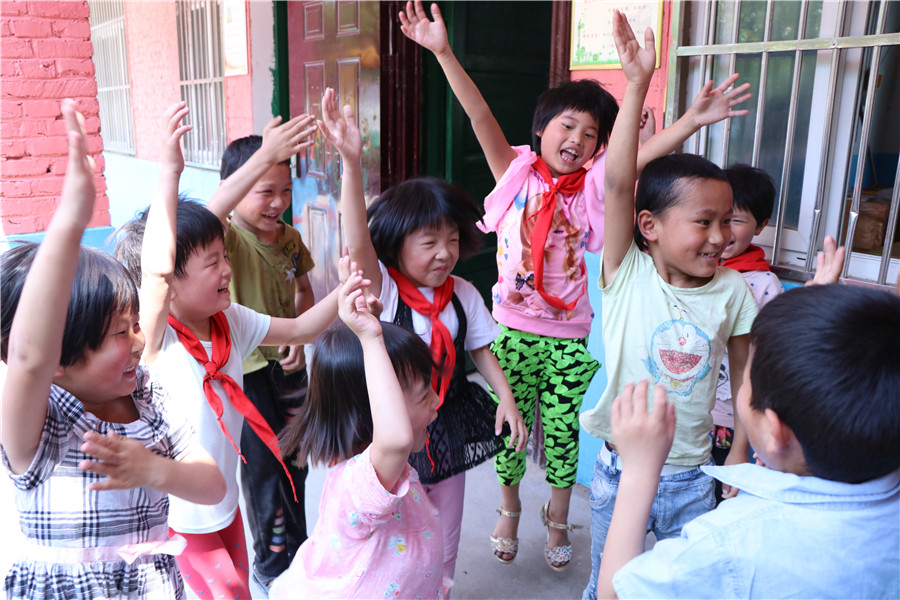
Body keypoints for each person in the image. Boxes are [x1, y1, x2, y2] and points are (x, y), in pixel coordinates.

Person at [398, 0, 752, 570]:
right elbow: (480, 116)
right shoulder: (512, 172)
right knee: (509, 435)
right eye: (568, 126)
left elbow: (625, 169)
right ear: (541, 130)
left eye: (593, 134)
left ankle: (557, 517)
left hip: (566, 338)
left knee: (562, 441)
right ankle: (509, 508)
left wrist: (688, 123)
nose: (579, 139)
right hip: (509, 332)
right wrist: (442, 52)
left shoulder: (591, 190)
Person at [0, 99, 225, 599]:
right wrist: (70, 222)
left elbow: (213, 487)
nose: (140, 339)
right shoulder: (41, 427)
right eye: (120, 333)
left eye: (133, 326)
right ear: (59, 359)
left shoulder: (146, 396)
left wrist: (154, 470)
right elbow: (29, 358)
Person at [137, 102, 357, 599]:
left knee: (237, 589)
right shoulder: (158, 339)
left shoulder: (230, 321)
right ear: (171, 283)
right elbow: (157, 266)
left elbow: (300, 327)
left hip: (225, 508)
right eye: (212, 263)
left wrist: (345, 294)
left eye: (223, 260)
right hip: (179, 521)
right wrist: (170, 172)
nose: (226, 272)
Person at [578, 12, 760, 599]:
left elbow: (746, 375)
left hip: (693, 474)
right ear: (649, 226)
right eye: (702, 222)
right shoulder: (625, 271)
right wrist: (636, 85)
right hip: (618, 468)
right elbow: (615, 183)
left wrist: (737, 457)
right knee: (608, 584)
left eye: (728, 221)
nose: (719, 236)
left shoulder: (734, 291)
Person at [318, 87, 526, 596]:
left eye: (452, 239)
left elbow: (481, 348)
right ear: (398, 243)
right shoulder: (384, 290)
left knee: (444, 533)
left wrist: (507, 398)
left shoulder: (465, 294)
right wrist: (351, 165)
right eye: (429, 242)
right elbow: (356, 243)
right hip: (389, 426)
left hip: (445, 418)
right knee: (392, 532)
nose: (445, 253)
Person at [596, 282, 900, 599]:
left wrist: (639, 472)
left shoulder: (725, 542)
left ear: (774, 431)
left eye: (747, 381)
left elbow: (614, 593)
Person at [270, 263, 443, 599]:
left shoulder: (380, 476)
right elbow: (394, 440)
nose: (437, 401)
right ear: (377, 412)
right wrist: (370, 338)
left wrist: (372, 335)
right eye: (425, 395)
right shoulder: (359, 486)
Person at [205, 113, 317, 589]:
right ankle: (271, 567)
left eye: (285, 190)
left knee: (299, 460)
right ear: (238, 186)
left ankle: (302, 551)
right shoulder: (227, 237)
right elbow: (211, 212)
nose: (278, 203)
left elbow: (304, 294)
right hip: (244, 377)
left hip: (288, 369)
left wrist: (297, 338)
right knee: (264, 473)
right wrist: (263, 157)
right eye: (263, 190)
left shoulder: (290, 238)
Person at [710, 164, 783, 497]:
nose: (723, 232)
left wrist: (741, 445)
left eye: (735, 220)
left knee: (721, 505)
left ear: (761, 226)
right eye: (715, 218)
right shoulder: (692, 272)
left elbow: (767, 363)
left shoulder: (763, 285)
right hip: (688, 416)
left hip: (729, 422)